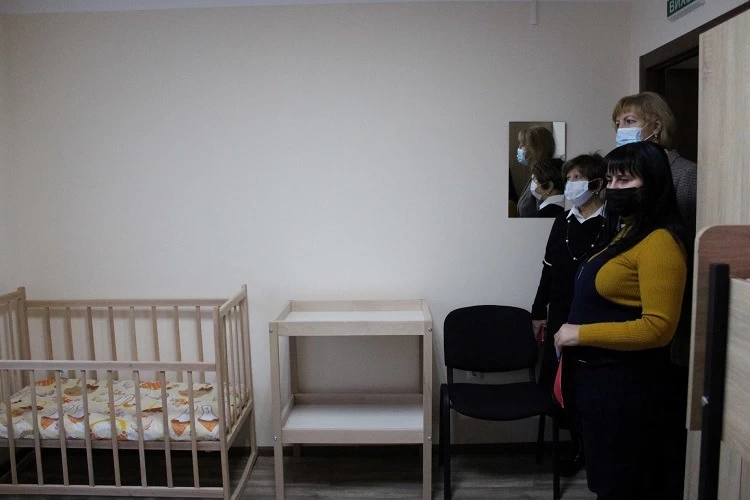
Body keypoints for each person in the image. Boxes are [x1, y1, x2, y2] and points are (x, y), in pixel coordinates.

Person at [553, 141, 687, 499]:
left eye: (624, 181)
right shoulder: (626, 232)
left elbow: (659, 328)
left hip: (628, 387)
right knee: (606, 481)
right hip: (600, 385)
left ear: (653, 183)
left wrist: (580, 333)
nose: (614, 189)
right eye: (610, 181)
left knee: (623, 484)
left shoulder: (660, 242)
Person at [612, 91, 696, 498]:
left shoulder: (686, 175)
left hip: (669, 312)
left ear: (656, 124)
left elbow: (689, 245)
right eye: (618, 123)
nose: (621, 129)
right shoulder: (625, 177)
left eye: (629, 121)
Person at [531, 153, 606, 476]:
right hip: (561, 312)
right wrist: (538, 310)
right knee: (562, 385)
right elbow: (548, 269)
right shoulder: (562, 221)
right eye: (569, 178)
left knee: (592, 387)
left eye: (578, 178)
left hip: (596, 316)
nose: (572, 184)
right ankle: (577, 448)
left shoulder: (612, 222)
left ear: (597, 184)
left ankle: (595, 450)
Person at [516, 126, 557, 217]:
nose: (519, 147)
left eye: (523, 144)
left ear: (537, 149)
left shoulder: (544, 177)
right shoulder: (536, 173)